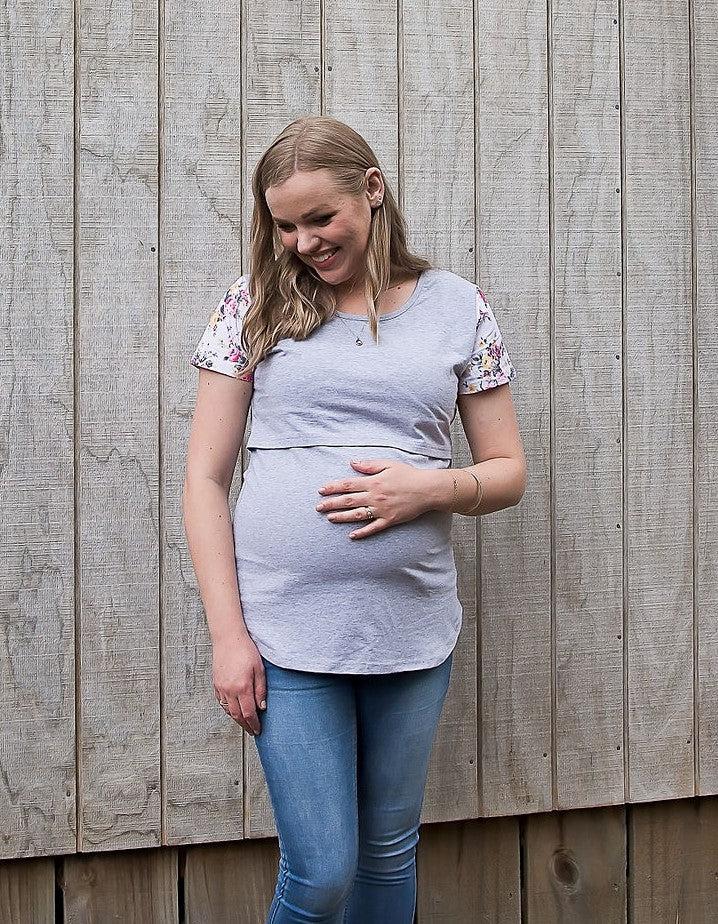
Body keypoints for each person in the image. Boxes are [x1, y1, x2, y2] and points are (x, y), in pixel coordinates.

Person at [183, 115, 527, 923]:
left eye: (320, 218)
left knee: (387, 856)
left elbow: (507, 470)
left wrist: (429, 490)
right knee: (322, 872)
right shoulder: (253, 303)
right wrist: (229, 638)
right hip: (286, 635)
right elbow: (204, 478)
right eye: (285, 226)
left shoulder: (458, 307)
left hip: (410, 630)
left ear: (371, 190)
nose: (303, 242)